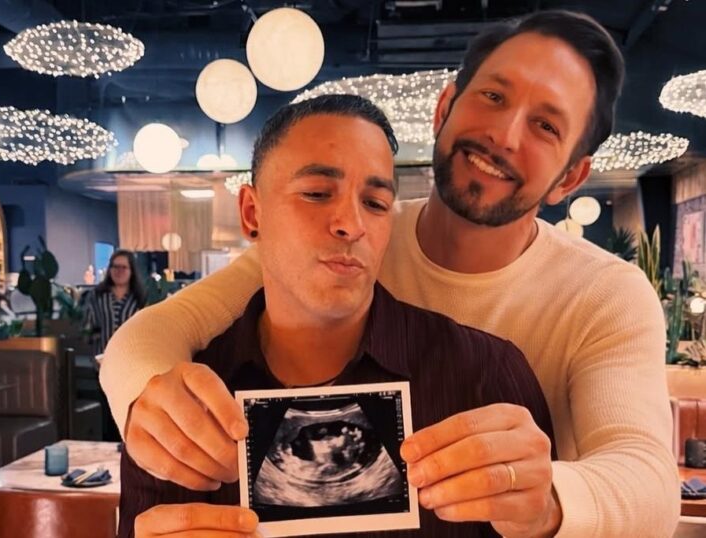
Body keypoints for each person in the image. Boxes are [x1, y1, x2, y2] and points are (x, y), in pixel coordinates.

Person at [102, 10, 679, 538]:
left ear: (571, 178)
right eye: (493, 96)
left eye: (546, 126)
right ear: (444, 108)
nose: (505, 135)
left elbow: (648, 480)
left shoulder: (600, 296)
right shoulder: (351, 239)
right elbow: (160, 330)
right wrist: (153, 411)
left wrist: (545, 499)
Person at [118, 94, 557, 538]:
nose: (351, 224)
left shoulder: (482, 376)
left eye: (376, 203)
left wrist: (542, 521)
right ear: (252, 213)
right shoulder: (178, 413)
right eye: (316, 194)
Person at [83, 249, 146, 356]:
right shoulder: (97, 295)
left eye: (124, 267)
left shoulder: (140, 297)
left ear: (132, 271)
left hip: (132, 357)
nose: (119, 271)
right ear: (110, 269)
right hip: (102, 356)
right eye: (115, 267)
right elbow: (88, 326)